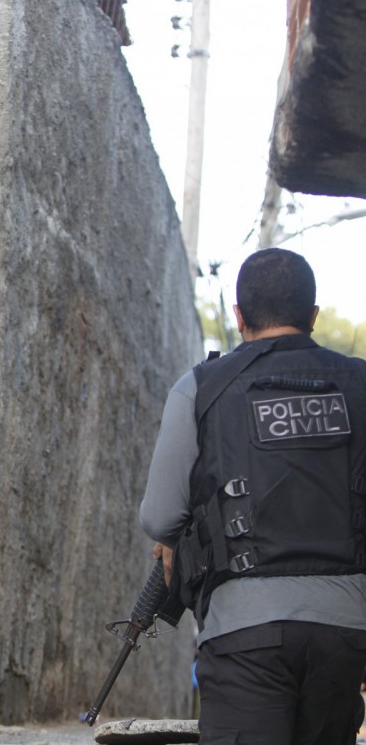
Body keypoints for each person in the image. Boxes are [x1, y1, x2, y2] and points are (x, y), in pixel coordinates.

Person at [140, 247, 366, 743]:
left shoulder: (199, 388)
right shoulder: (360, 384)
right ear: (312, 316)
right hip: (347, 631)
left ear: (239, 316)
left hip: (244, 631)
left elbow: (160, 517)